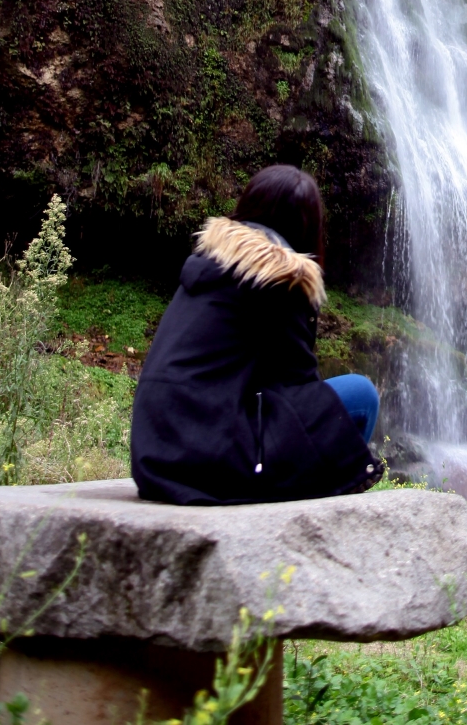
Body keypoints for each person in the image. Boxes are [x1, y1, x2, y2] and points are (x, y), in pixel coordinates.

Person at [131, 164, 381, 505]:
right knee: (360, 394)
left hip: (156, 456)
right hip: (208, 458)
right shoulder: (282, 277)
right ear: (308, 227)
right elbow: (299, 386)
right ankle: (332, 508)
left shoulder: (210, 263)